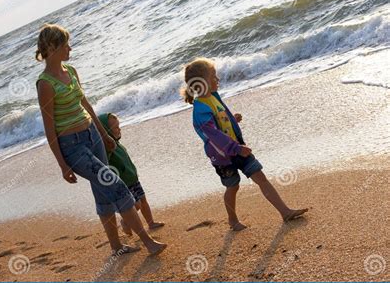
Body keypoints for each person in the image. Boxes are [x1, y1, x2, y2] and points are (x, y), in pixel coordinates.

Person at [35, 24, 167, 255]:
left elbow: (85, 104)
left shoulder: (71, 71)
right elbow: (49, 128)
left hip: (93, 135)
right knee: (115, 184)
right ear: (53, 47)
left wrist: (103, 133)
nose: (70, 48)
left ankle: (116, 247)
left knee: (101, 191)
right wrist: (62, 165)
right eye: (66, 44)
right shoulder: (45, 84)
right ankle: (148, 242)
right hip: (72, 147)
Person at [181, 57, 308, 231]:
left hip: (237, 147)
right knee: (233, 187)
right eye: (213, 77)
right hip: (224, 157)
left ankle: (284, 211)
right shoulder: (200, 109)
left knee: (260, 177)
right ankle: (232, 220)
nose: (217, 80)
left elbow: (220, 121)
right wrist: (236, 148)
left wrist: (233, 120)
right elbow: (214, 135)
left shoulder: (213, 97)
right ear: (201, 83)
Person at [98, 113, 165, 235]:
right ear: (105, 131)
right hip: (123, 182)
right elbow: (105, 164)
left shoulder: (118, 144)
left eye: (119, 126)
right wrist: (109, 150)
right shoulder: (107, 148)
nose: (119, 129)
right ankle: (125, 221)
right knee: (136, 205)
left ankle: (151, 222)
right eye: (115, 128)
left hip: (133, 178)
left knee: (143, 200)